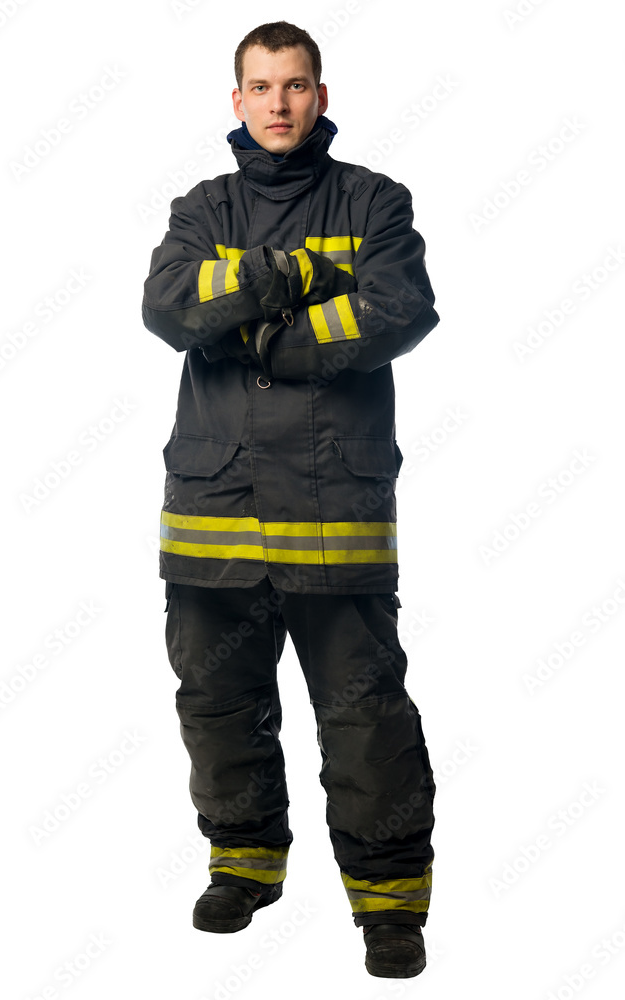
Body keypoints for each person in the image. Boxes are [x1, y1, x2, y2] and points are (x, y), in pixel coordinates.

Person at [142, 21, 440, 979]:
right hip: (212, 505)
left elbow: (396, 312)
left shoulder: (374, 201)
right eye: (260, 87)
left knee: (364, 713)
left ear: (320, 94)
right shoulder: (202, 207)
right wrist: (297, 277)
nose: (277, 103)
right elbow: (170, 306)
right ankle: (242, 864)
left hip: (334, 505)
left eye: (295, 85)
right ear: (236, 101)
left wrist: (264, 336)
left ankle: (389, 901)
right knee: (217, 701)